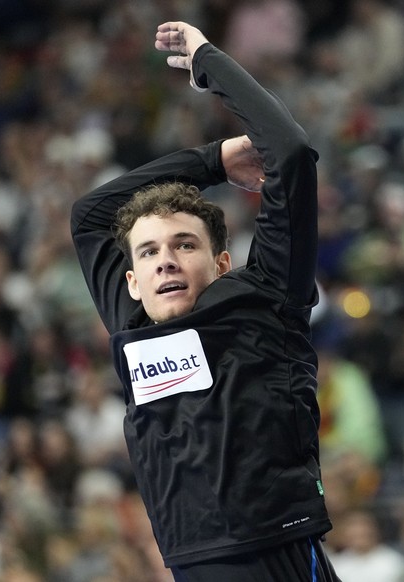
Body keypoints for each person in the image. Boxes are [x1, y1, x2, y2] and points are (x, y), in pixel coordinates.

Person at [71, 21, 337, 581]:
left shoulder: (264, 296)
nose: (164, 260)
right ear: (131, 281)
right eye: (146, 253)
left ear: (220, 264)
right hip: (194, 563)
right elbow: (90, 215)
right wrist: (210, 160)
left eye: (183, 244)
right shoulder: (131, 321)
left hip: (280, 550)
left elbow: (288, 152)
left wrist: (208, 62)